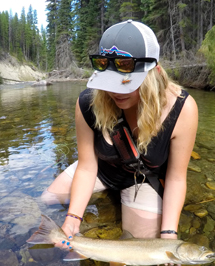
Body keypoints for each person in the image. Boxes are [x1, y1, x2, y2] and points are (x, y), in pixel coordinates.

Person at [41, 20, 198, 251]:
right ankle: (108, 197)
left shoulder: (182, 109)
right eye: (109, 82)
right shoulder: (87, 103)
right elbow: (86, 166)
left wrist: (169, 234)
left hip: (142, 180)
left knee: (143, 247)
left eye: (125, 84)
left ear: (153, 72)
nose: (114, 92)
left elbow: (176, 178)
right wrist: (73, 218)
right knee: (47, 200)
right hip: (101, 170)